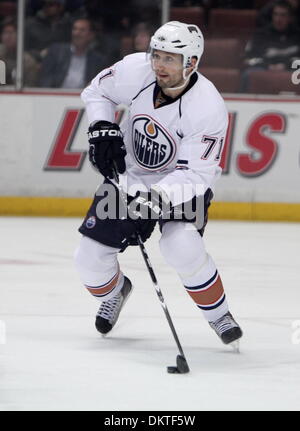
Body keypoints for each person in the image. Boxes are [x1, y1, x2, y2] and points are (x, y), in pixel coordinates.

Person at [74, 21, 243, 348]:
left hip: (184, 187)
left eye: (170, 59)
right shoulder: (136, 69)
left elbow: (196, 176)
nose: (159, 65)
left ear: (191, 63)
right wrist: (102, 126)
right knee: (89, 259)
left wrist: (152, 201)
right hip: (131, 177)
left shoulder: (208, 107)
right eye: (157, 55)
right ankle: (115, 292)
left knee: (181, 246)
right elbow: (98, 91)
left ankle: (219, 314)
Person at [240, 1, 300, 91]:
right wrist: (268, 66)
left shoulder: (297, 35)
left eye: (283, 15)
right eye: (276, 14)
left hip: (291, 70)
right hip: (263, 69)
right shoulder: (260, 35)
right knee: (248, 74)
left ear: (290, 17)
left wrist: (285, 65)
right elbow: (248, 59)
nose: (278, 19)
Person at [38, 18, 106, 88]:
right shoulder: (56, 52)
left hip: (81, 97)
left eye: (82, 30)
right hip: (55, 96)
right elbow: (45, 79)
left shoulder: (97, 60)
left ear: (91, 35)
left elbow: (97, 86)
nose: (76, 33)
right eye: (74, 29)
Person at [0, 18, 39, 86]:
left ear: (20, 35)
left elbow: (29, 87)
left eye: (11, 33)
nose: (7, 37)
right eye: (4, 33)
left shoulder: (28, 61)